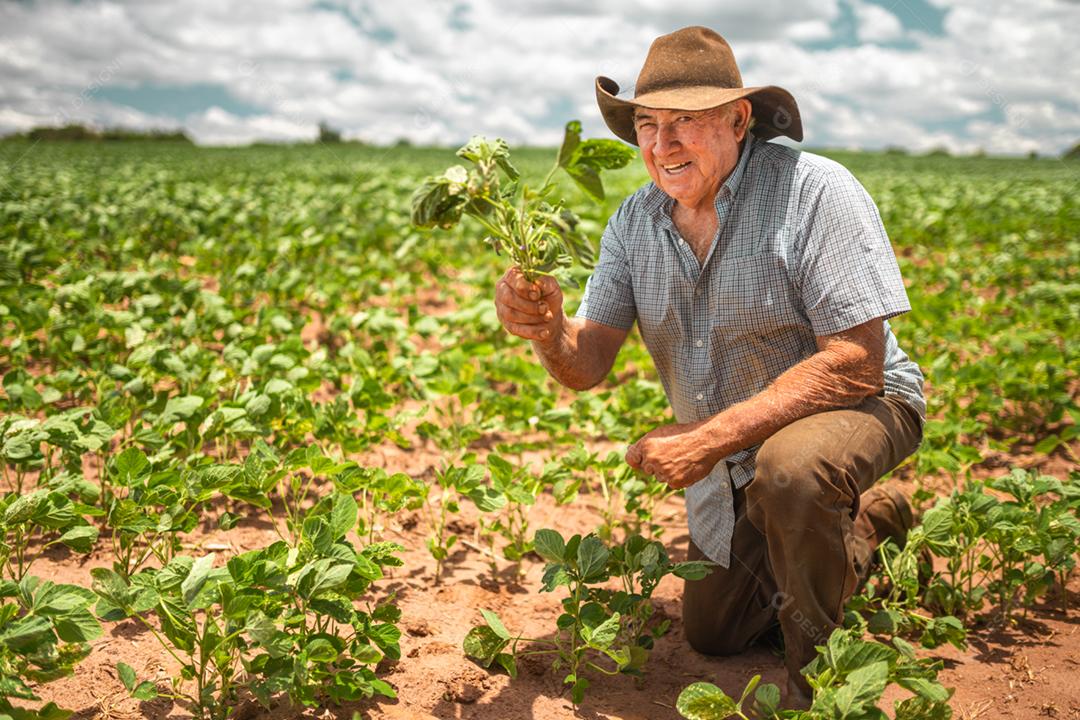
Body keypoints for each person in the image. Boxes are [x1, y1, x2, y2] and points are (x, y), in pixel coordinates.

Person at [493, 25, 925, 708]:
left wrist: (708, 438)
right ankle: (870, 524)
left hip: (858, 403)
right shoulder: (634, 224)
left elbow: (855, 362)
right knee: (716, 632)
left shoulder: (815, 193)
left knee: (793, 471)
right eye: (647, 126)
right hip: (738, 439)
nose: (662, 146)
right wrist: (546, 328)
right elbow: (587, 361)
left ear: (738, 119)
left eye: (684, 123)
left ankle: (822, 687)